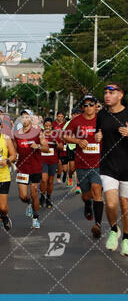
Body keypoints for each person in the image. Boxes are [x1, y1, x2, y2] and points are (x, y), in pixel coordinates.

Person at [95, 83, 128, 255]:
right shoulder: (101, 114)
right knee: (112, 202)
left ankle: (127, 238)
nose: (107, 95)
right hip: (108, 166)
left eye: (111, 92)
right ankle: (114, 230)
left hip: (127, 167)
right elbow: (97, 133)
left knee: (125, 205)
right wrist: (97, 136)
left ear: (120, 95)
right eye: (105, 92)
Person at [65, 95, 103, 238]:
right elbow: (64, 135)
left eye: (91, 104)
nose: (88, 107)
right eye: (85, 105)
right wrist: (77, 140)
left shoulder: (102, 119)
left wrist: (102, 136)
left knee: (97, 189)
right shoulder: (76, 121)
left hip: (99, 163)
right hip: (82, 164)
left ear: (96, 105)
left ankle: (97, 224)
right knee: (87, 195)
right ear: (82, 107)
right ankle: (87, 204)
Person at [14, 110, 49, 229]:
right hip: (22, 168)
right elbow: (14, 151)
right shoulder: (17, 134)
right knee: (23, 196)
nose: (24, 119)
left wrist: (38, 146)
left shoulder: (38, 132)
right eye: (22, 117)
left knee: (34, 193)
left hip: (35, 168)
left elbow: (46, 148)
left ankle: (35, 218)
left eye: (27, 117)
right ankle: (28, 203)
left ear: (30, 119)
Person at [40, 117, 59, 208]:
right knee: (44, 179)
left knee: (50, 181)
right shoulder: (40, 135)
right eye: (46, 125)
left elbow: (61, 147)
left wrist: (57, 144)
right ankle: (42, 196)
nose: (47, 127)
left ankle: (48, 198)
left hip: (53, 160)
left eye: (49, 126)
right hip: (42, 160)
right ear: (43, 126)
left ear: (52, 126)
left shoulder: (55, 135)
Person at [53, 111, 66, 184]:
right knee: (57, 162)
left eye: (61, 116)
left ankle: (60, 175)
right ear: (56, 116)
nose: (60, 118)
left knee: (61, 163)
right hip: (54, 145)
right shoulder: (53, 124)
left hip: (62, 146)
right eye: (59, 116)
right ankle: (57, 176)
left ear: (63, 117)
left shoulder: (65, 125)